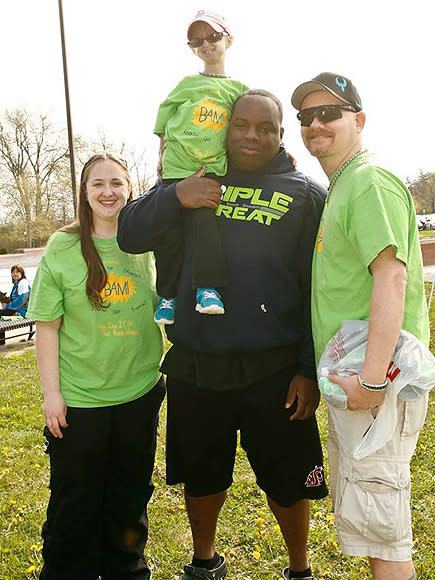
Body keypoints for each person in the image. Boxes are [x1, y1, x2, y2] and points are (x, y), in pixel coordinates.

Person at [118, 89, 328, 580]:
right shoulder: (194, 176)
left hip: (275, 369)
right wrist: (174, 195)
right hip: (198, 361)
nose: (251, 135)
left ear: (280, 133)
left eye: (264, 127)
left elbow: (318, 291)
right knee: (204, 473)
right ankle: (204, 560)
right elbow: (130, 232)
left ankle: (300, 568)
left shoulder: (305, 194)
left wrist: (306, 368)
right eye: (241, 125)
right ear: (225, 128)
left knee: (287, 481)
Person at [291, 72, 429, 580]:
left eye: (330, 113)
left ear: (360, 120)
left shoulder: (369, 181)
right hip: (358, 381)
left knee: (384, 529)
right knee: (372, 524)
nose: (315, 124)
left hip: (377, 382)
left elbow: (391, 279)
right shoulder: (342, 186)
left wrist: (372, 382)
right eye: (306, 117)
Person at [27, 153, 165, 580]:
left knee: (129, 496)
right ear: (84, 194)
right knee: (76, 499)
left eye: (117, 183)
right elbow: (46, 328)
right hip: (80, 399)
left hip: (139, 394)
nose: (108, 192)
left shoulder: (150, 244)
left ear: (130, 188)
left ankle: (126, 568)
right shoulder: (63, 247)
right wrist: (53, 395)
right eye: (97, 184)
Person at [153, 9, 248, 324]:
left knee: (205, 230)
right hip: (177, 171)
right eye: (197, 40)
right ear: (192, 47)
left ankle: (206, 289)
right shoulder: (186, 85)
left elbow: (254, 126)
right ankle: (167, 295)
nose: (206, 44)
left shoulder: (239, 90)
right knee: (169, 235)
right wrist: (160, 155)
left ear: (228, 40)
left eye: (213, 36)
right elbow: (165, 121)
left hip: (210, 173)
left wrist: (282, 153)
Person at [0, 263, 32, 345]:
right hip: (18, 309)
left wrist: (7, 306)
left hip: (23, 311)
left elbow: (21, 301)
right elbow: (15, 299)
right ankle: (1, 340)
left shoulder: (23, 283)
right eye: (13, 272)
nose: (15, 274)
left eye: (17, 272)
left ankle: (1, 341)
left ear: (22, 273)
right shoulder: (17, 284)